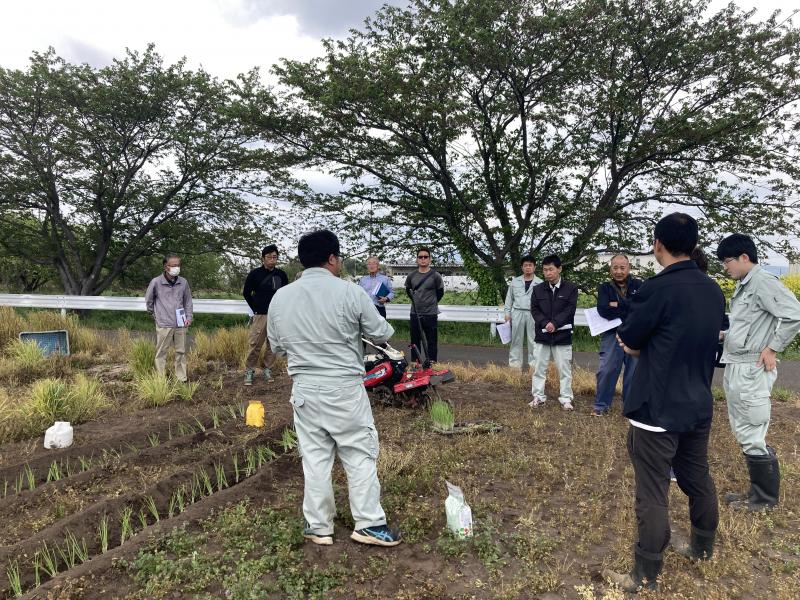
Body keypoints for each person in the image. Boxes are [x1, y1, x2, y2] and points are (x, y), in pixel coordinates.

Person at [604, 213, 725, 593]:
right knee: (697, 477)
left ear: (658, 245)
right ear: (692, 245)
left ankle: (646, 574)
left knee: (652, 491)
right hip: (698, 403)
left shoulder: (656, 289)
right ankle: (703, 548)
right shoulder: (713, 289)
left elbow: (630, 339)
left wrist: (640, 346)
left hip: (657, 406)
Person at [267, 229, 402, 547]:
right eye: (338, 257)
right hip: (343, 388)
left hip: (304, 390)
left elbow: (277, 348)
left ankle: (318, 527)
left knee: (314, 458)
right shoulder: (350, 292)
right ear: (332, 258)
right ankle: (369, 524)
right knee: (358, 453)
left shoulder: (281, 298)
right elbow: (381, 331)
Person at [716, 233, 800, 511]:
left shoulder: (762, 281)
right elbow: (749, 327)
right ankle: (755, 493)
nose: (725, 268)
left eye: (727, 261)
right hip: (738, 364)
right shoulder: (745, 286)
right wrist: (725, 336)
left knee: (751, 429)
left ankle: (764, 499)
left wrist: (773, 348)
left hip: (751, 368)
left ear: (743, 257)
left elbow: (794, 314)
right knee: (744, 429)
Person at [592, 255, 643, 416]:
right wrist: (628, 306)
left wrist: (617, 305)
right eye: (615, 267)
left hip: (635, 334)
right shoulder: (604, 288)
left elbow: (641, 307)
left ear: (629, 268)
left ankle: (630, 407)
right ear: (610, 269)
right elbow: (603, 310)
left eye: (622, 267)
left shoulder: (639, 285)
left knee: (634, 372)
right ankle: (601, 405)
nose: (619, 271)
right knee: (607, 369)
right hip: (611, 334)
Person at [529, 255, 578, 410]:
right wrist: (545, 323)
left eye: (551, 269)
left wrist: (555, 323)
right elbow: (535, 310)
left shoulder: (571, 288)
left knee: (564, 369)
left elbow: (570, 310)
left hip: (562, 335)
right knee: (539, 368)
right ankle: (538, 396)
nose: (548, 273)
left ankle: (565, 398)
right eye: (545, 270)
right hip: (542, 335)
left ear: (559, 269)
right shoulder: (537, 289)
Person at [242, 245, 289, 385]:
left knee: (273, 344)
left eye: (275, 257)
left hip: (277, 315)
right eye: (269, 257)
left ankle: (268, 369)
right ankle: (249, 370)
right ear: (263, 258)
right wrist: (255, 308)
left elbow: (285, 294)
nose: (272, 260)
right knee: (255, 343)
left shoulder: (281, 274)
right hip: (260, 314)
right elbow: (246, 293)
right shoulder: (255, 274)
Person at [145, 253, 193, 382]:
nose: (177, 268)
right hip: (164, 323)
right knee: (161, 352)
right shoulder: (156, 282)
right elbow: (149, 301)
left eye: (178, 265)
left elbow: (188, 301)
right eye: (174, 265)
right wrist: (156, 316)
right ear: (166, 267)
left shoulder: (183, 282)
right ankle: (160, 379)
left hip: (181, 323)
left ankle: (181, 377)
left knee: (181, 351)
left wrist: (189, 317)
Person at [404, 247, 444, 363]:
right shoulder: (411, 276)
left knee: (431, 340)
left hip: (431, 313)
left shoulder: (435, 275)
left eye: (425, 257)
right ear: (417, 260)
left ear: (430, 259)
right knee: (415, 341)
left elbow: (440, 292)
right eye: (420, 257)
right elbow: (408, 290)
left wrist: (430, 303)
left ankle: (432, 363)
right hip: (415, 313)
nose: (423, 259)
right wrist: (416, 301)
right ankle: (416, 364)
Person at [503, 255, 542, 369]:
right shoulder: (515, 282)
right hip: (517, 313)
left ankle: (534, 367)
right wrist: (507, 314)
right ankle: (515, 366)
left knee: (533, 341)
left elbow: (543, 302)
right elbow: (509, 299)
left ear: (534, 267)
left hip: (533, 314)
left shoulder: (540, 283)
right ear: (522, 267)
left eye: (530, 265)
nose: (528, 267)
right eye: (526, 265)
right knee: (516, 340)